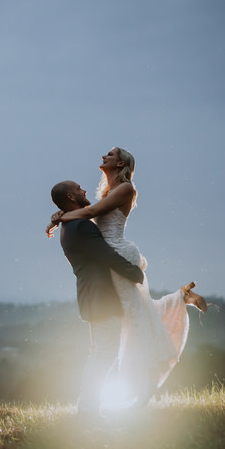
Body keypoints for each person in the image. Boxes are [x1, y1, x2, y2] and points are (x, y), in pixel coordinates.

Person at [48, 147, 207, 408]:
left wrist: (60, 217)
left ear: (121, 162)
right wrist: (61, 217)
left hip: (118, 255)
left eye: (109, 154)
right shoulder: (104, 194)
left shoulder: (125, 188)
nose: (103, 156)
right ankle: (181, 298)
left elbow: (88, 214)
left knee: (137, 322)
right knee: (140, 315)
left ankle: (138, 390)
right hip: (111, 258)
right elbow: (88, 215)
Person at [50, 179, 145, 420]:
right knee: (104, 355)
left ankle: (88, 408)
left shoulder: (69, 226)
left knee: (100, 354)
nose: (84, 190)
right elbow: (107, 256)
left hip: (90, 296)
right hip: (101, 296)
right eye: (79, 188)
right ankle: (88, 410)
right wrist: (136, 272)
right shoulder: (81, 227)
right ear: (72, 197)